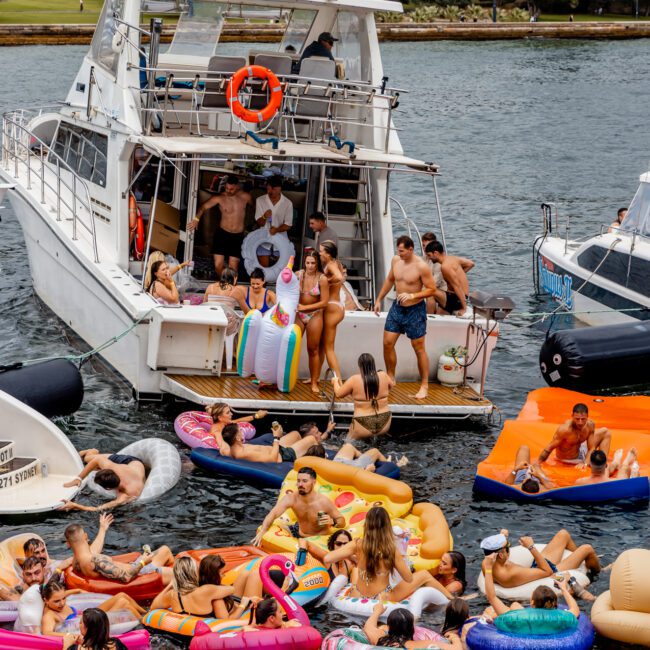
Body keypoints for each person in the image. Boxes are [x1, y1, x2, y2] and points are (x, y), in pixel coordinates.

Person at [324, 506, 452, 602]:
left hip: (357, 595)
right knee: (424, 575)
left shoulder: (357, 544)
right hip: (381, 598)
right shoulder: (391, 550)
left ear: (366, 525)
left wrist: (353, 556)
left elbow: (328, 557)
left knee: (358, 571)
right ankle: (452, 599)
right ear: (387, 526)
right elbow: (408, 578)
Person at [374, 236, 437, 400]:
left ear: (411, 249)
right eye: (398, 250)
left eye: (401, 251)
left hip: (415, 310)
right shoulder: (396, 260)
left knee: (419, 348)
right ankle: (390, 377)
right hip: (397, 308)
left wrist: (412, 294)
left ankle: (424, 385)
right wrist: (379, 299)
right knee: (387, 343)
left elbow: (431, 289)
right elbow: (389, 280)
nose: (398, 253)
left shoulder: (421, 266)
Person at [479, 529, 600, 589]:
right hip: (549, 574)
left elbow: (496, 549)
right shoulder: (510, 574)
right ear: (500, 554)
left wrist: (503, 535)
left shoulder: (487, 563)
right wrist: (531, 547)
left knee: (563, 534)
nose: (510, 548)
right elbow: (548, 572)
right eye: (508, 546)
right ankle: (599, 571)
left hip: (534, 570)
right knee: (587, 548)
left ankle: (581, 562)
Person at [253, 466, 345, 544]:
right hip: (299, 532)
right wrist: (263, 531)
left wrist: (333, 521)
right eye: (298, 481)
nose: (300, 484)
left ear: (314, 482)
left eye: (305, 481)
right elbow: (273, 514)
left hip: (319, 538)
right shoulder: (291, 498)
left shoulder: (323, 502)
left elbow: (342, 521)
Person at [64, 523, 173, 585]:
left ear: (68, 544)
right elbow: (126, 577)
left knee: (164, 550)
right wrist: (143, 561)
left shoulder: (76, 562)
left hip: (134, 568)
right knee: (182, 571)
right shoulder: (96, 560)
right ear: (86, 537)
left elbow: (93, 551)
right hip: (140, 573)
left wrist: (102, 529)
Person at [483, 552, 580, 621]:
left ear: (532, 603)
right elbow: (575, 609)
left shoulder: (519, 619)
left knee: (513, 605)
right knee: (515, 606)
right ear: (555, 604)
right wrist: (563, 588)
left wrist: (488, 568)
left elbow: (491, 597)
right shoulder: (561, 619)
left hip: (523, 625)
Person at [188, 175, 252, 277]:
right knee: (218, 265)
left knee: (233, 265)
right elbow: (203, 207)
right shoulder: (220, 198)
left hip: (237, 236)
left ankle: (232, 288)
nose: (228, 191)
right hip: (222, 234)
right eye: (226, 188)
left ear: (237, 187)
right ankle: (222, 284)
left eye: (231, 189)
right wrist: (196, 219)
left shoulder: (246, 197)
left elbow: (257, 208)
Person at [19, 514, 114, 583]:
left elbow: (90, 555)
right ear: (28, 556)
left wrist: (102, 530)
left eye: (43, 551)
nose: (41, 555)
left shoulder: (55, 564)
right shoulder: (29, 574)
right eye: (36, 553)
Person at [149, 556, 244, 620]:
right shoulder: (206, 590)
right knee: (246, 575)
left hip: (186, 632)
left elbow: (153, 606)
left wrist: (170, 585)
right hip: (208, 626)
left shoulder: (172, 595)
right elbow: (232, 589)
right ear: (194, 572)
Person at [41, 582, 144, 637]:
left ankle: (145, 613)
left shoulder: (57, 598)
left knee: (122, 595)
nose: (62, 603)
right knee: (123, 603)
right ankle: (144, 625)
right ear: (46, 600)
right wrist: (70, 636)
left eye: (64, 598)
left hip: (86, 614)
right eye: (57, 601)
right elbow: (47, 633)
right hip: (90, 622)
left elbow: (61, 594)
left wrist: (77, 590)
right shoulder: (49, 615)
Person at [61, 450, 148, 512]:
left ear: (108, 488)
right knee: (87, 459)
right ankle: (92, 451)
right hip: (130, 463)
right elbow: (97, 460)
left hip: (133, 463)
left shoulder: (127, 495)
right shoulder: (113, 467)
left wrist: (75, 505)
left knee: (91, 463)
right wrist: (79, 478)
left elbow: (98, 509)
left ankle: (92, 453)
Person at [332, 352, 394, 439]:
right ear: (373, 364)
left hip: (362, 421)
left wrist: (335, 382)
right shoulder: (383, 375)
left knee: (348, 445)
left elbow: (338, 394)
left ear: (360, 366)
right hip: (384, 420)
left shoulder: (354, 379)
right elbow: (391, 386)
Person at [295, 250, 329, 393]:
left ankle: (314, 382)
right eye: (307, 263)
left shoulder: (322, 279)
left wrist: (306, 307)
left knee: (313, 349)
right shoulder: (298, 275)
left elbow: (325, 302)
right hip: (299, 314)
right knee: (292, 346)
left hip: (315, 314)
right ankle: (287, 377)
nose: (310, 266)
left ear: (317, 263)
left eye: (313, 263)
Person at [538, 402, 611, 467]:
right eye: (577, 419)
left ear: (587, 417)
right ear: (572, 416)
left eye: (583, 419)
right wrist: (538, 463)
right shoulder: (565, 430)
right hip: (568, 459)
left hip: (581, 452)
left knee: (605, 432)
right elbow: (548, 449)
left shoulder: (590, 425)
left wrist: (585, 464)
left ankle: (602, 463)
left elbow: (591, 448)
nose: (580, 422)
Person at [221, 423, 319, 465]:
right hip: (282, 456)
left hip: (276, 448)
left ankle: (304, 451)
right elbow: (272, 459)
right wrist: (276, 437)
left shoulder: (227, 449)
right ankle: (322, 457)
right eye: (240, 431)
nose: (243, 432)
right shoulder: (243, 454)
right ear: (238, 438)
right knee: (311, 439)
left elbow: (222, 444)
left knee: (295, 434)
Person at [316, 241, 345, 380]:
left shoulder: (331, 265)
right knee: (322, 345)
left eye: (321, 251)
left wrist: (326, 282)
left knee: (328, 348)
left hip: (332, 307)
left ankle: (338, 380)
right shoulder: (336, 262)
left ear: (328, 253)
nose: (319, 253)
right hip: (337, 305)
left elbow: (339, 277)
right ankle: (316, 376)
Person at [424, 241, 474, 316]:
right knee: (438, 319)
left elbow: (457, 287)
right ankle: (431, 320)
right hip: (451, 297)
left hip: (456, 299)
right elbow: (471, 264)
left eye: (429, 255)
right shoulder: (453, 258)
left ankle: (427, 319)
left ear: (436, 253)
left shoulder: (445, 267)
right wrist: (458, 274)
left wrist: (464, 308)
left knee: (430, 291)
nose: (428, 258)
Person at [254, 176, 293, 268]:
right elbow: (259, 223)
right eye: (268, 189)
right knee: (264, 270)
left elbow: (288, 225)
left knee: (281, 269)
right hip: (263, 239)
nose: (270, 192)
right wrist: (264, 216)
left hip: (281, 239)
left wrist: (277, 229)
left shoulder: (287, 203)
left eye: (273, 189)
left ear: (280, 189)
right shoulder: (260, 200)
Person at [63, 607, 128, 650]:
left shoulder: (76, 648)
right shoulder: (115, 644)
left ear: (87, 628)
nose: (79, 624)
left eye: (80, 622)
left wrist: (66, 646)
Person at [575, 448, 639, 485]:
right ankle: (625, 462)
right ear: (605, 465)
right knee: (624, 471)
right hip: (609, 483)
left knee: (603, 469)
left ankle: (616, 462)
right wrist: (635, 476)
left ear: (590, 465)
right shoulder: (617, 483)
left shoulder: (579, 482)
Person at [420, 232, 447, 314]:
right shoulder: (425, 257)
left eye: (427, 246)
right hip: (431, 286)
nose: (425, 248)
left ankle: (429, 318)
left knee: (429, 295)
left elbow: (434, 284)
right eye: (423, 245)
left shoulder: (439, 262)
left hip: (443, 290)